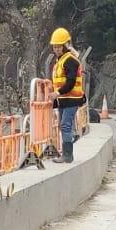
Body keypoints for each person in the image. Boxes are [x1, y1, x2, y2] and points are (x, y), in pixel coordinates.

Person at [49, 27, 85, 163]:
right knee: (63, 125)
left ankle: (67, 155)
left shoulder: (70, 60)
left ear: (65, 46)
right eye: (55, 47)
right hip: (64, 99)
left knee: (65, 125)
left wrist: (57, 93)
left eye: (59, 47)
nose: (56, 49)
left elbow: (70, 81)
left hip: (72, 99)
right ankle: (66, 154)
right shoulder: (61, 60)